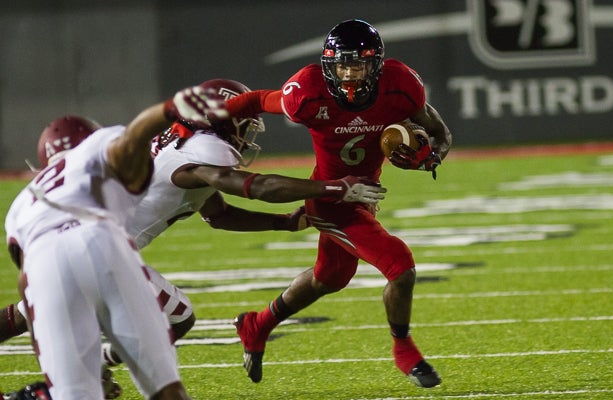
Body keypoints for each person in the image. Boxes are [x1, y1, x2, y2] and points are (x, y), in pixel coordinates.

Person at [2, 79, 386, 397]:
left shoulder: (180, 146)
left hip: (54, 255)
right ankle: (101, 360)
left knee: (31, 312)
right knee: (178, 318)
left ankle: (78, 373)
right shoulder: (205, 149)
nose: (248, 129)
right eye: (242, 120)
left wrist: (284, 224)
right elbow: (258, 185)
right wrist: (333, 188)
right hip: (106, 248)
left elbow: (217, 213)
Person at [217, 19, 453, 388]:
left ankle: (256, 325)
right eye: (341, 64)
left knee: (330, 278)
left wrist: (431, 158)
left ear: (376, 66)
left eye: (357, 64)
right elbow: (258, 100)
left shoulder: (401, 86)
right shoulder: (307, 92)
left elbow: (441, 134)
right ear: (328, 64)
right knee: (400, 266)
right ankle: (404, 348)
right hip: (330, 200)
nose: (348, 72)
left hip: (364, 194)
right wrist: (210, 118)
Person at [3, 83, 230, 399]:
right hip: (100, 240)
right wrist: (168, 109)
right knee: (166, 387)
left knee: (74, 393)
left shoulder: (21, 203)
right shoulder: (94, 146)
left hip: (41, 265)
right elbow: (133, 136)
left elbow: (25, 273)